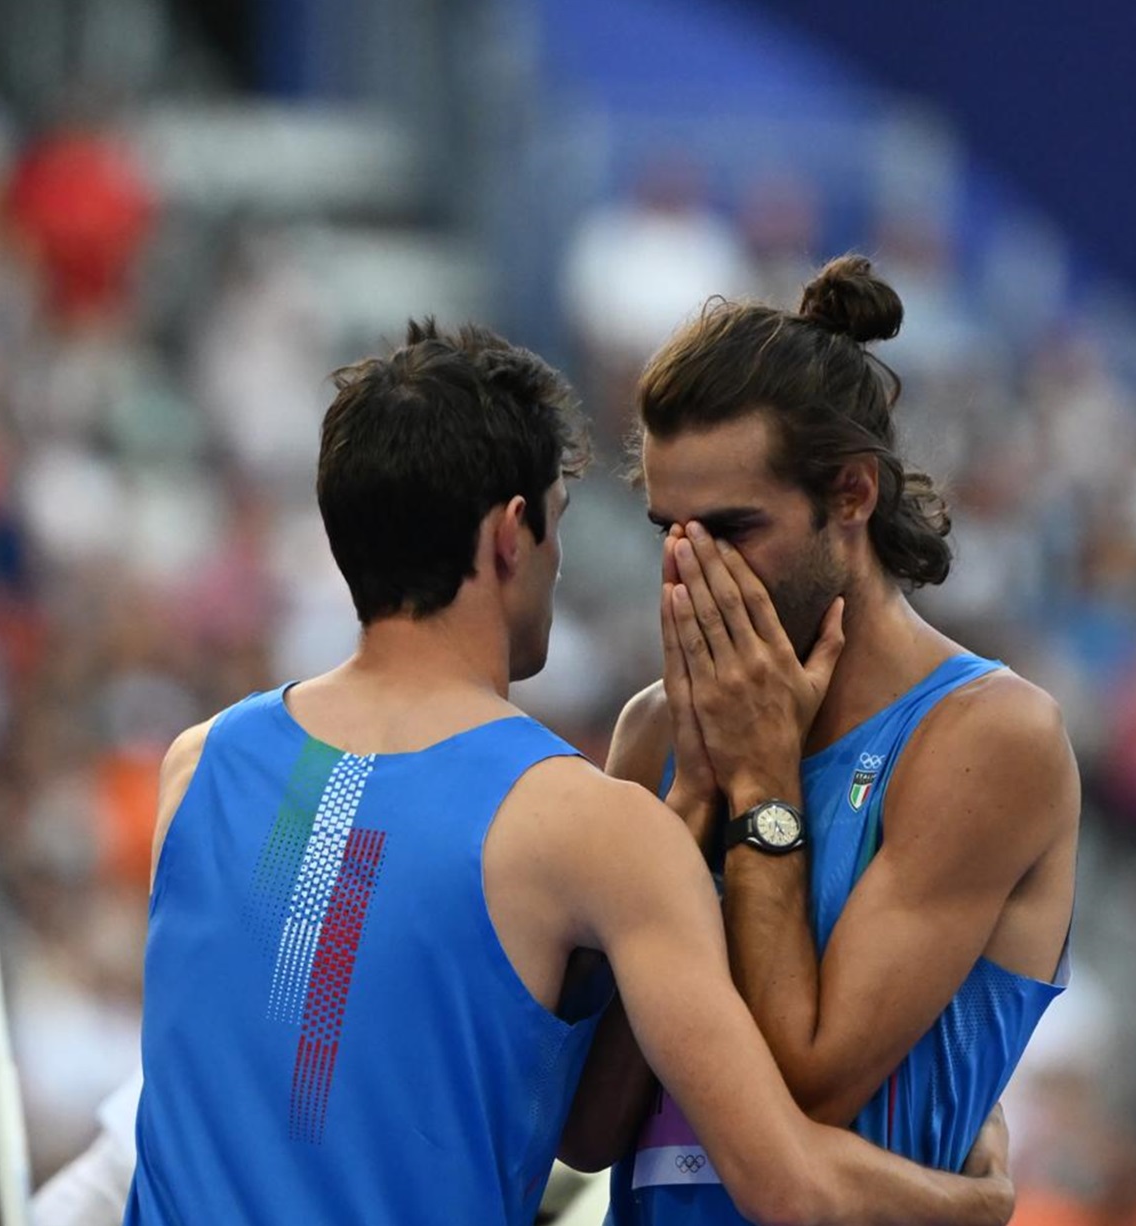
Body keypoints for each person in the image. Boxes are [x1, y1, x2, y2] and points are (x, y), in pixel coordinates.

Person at [122, 319, 1018, 1224]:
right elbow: (787, 1184)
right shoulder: (584, 824)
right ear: (513, 535)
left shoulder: (194, 766)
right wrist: (979, 1205)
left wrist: (691, 800)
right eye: (560, 522)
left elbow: (571, 1129)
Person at [567, 256, 1080, 1225]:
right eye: (665, 530)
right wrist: (685, 814)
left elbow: (804, 1090)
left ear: (849, 495)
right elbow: (589, 1126)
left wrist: (761, 779)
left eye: (728, 528)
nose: (686, 571)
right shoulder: (652, 733)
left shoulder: (988, 737)